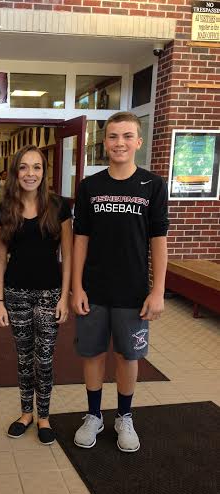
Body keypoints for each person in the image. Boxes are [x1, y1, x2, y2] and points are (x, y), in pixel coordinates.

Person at [72, 111, 169, 453]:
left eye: (127, 136)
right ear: (104, 143)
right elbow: (79, 239)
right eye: (113, 136)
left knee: (128, 357)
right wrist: (77, 287)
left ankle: (124, 416)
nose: (119, 143)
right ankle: (94, 414)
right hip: (94, 290)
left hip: (133, 293)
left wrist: (157, 291)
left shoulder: (153, 186)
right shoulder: (90, 186)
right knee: (93, 354)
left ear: (138, 143)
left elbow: (159, 241)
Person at [0, 145, 72, 445]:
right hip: (16, 293)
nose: (30, 173)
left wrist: (64, 297)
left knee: (45, 358)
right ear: (15, 172)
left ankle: (44, 417)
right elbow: (0, 258)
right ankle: (26, 413)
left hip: (50, 293)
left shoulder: (59, 207)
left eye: (36, 167)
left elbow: (67, 253)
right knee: (24, 357)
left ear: (44, 172)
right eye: (24, 167)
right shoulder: (5, 210)